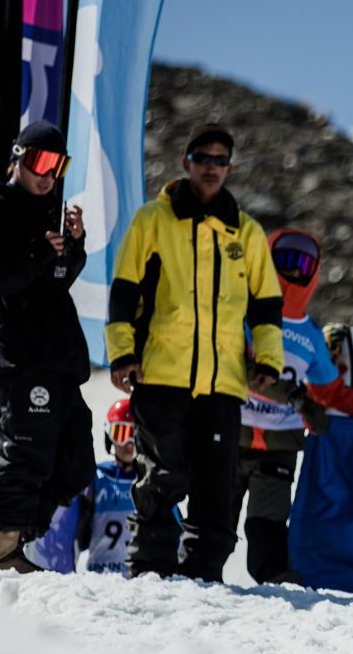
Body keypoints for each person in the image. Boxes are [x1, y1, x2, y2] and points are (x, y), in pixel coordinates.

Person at [105, 124, 284, 582]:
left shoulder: (245, 232)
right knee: (163, 478)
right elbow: (124, 290)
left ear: (230, 167)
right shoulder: (153, 220)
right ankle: (149, 572)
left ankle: (202, 577)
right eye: (202, 157)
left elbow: (266, 304)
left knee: (216, 486)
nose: (211, 166)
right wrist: (122, 353)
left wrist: (268, 359)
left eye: (220, 160)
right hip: (161, 373)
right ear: (186, 162)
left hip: (223, 381)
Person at [235, 229, 353, 585]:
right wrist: (296, 398)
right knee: (214, 519)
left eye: (303, 263)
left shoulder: (310, 334)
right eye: (285, 260)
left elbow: (332, 391)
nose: (293, 271)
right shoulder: (242, 314)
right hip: (228, 433)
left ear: (315, 273)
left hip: (278, 446)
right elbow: (236, 369)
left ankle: (278, 585)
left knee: (266, 525)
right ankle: (194, 585)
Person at [0, 120, 94, 572]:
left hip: (58, 356)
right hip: (23, 355)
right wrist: (38, 254)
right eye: (39, 162)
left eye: (57, 165)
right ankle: (5, 547)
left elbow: (54, 282)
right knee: (25, 453)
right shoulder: (1, 207)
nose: (47, 174)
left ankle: (7, 541)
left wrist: (73, 250)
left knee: (77, 461)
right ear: (18, 158)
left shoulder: (51, 210)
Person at [75, 399, 139, 574]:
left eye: (134, 434)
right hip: (100, 574)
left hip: (138, 579)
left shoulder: (149, 482)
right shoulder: (97, 477)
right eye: (121, 433)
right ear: (108, 435)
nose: (129, 443)